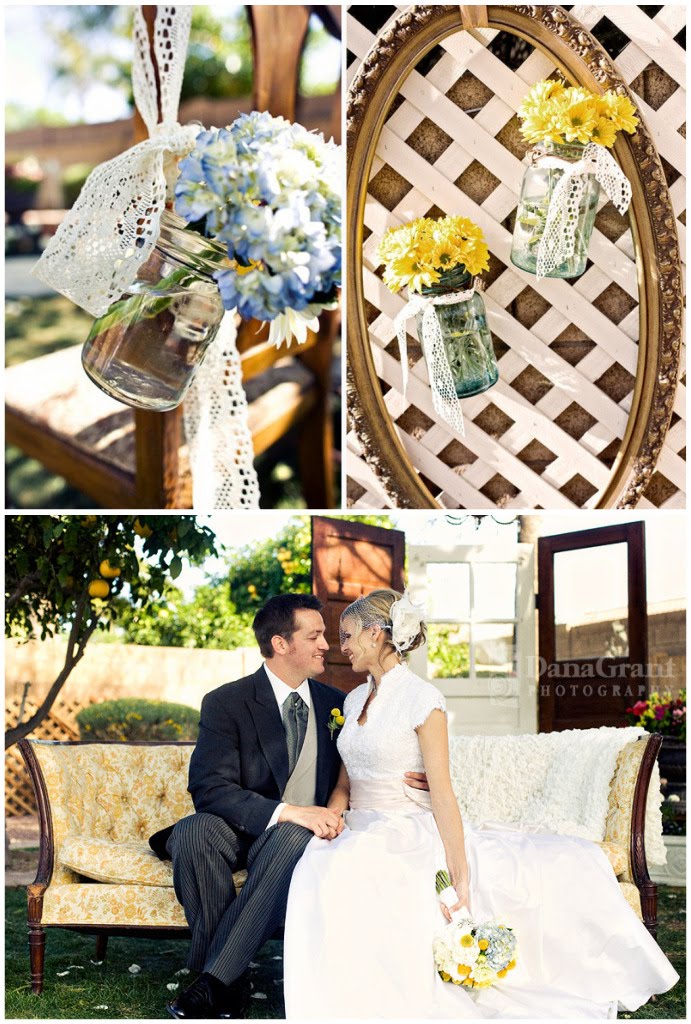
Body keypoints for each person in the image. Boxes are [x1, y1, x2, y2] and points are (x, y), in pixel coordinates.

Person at [283, 588, 679, 1019]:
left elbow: (444, 793)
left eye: (348, 635)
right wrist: (335, 812)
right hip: (355, 824)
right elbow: (345, 778)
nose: (341, 646)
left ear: (377, 634)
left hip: (405, 829)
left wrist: (461, 878)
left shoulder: (423, 701)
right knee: (320, 868)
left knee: (370, 877)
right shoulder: (354, 699)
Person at [148, 592, 425, 1019]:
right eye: (314, 635)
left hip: (299, 838)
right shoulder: (226, 702)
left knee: (295, 833)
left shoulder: (341, 704)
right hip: (239, 828)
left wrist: (411, 774)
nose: (326, 645)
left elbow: (363, 766)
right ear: (281, 644)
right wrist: (289, 811)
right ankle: (227, 976)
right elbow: (209, 788)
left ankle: (213, 983)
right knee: (192, 832)